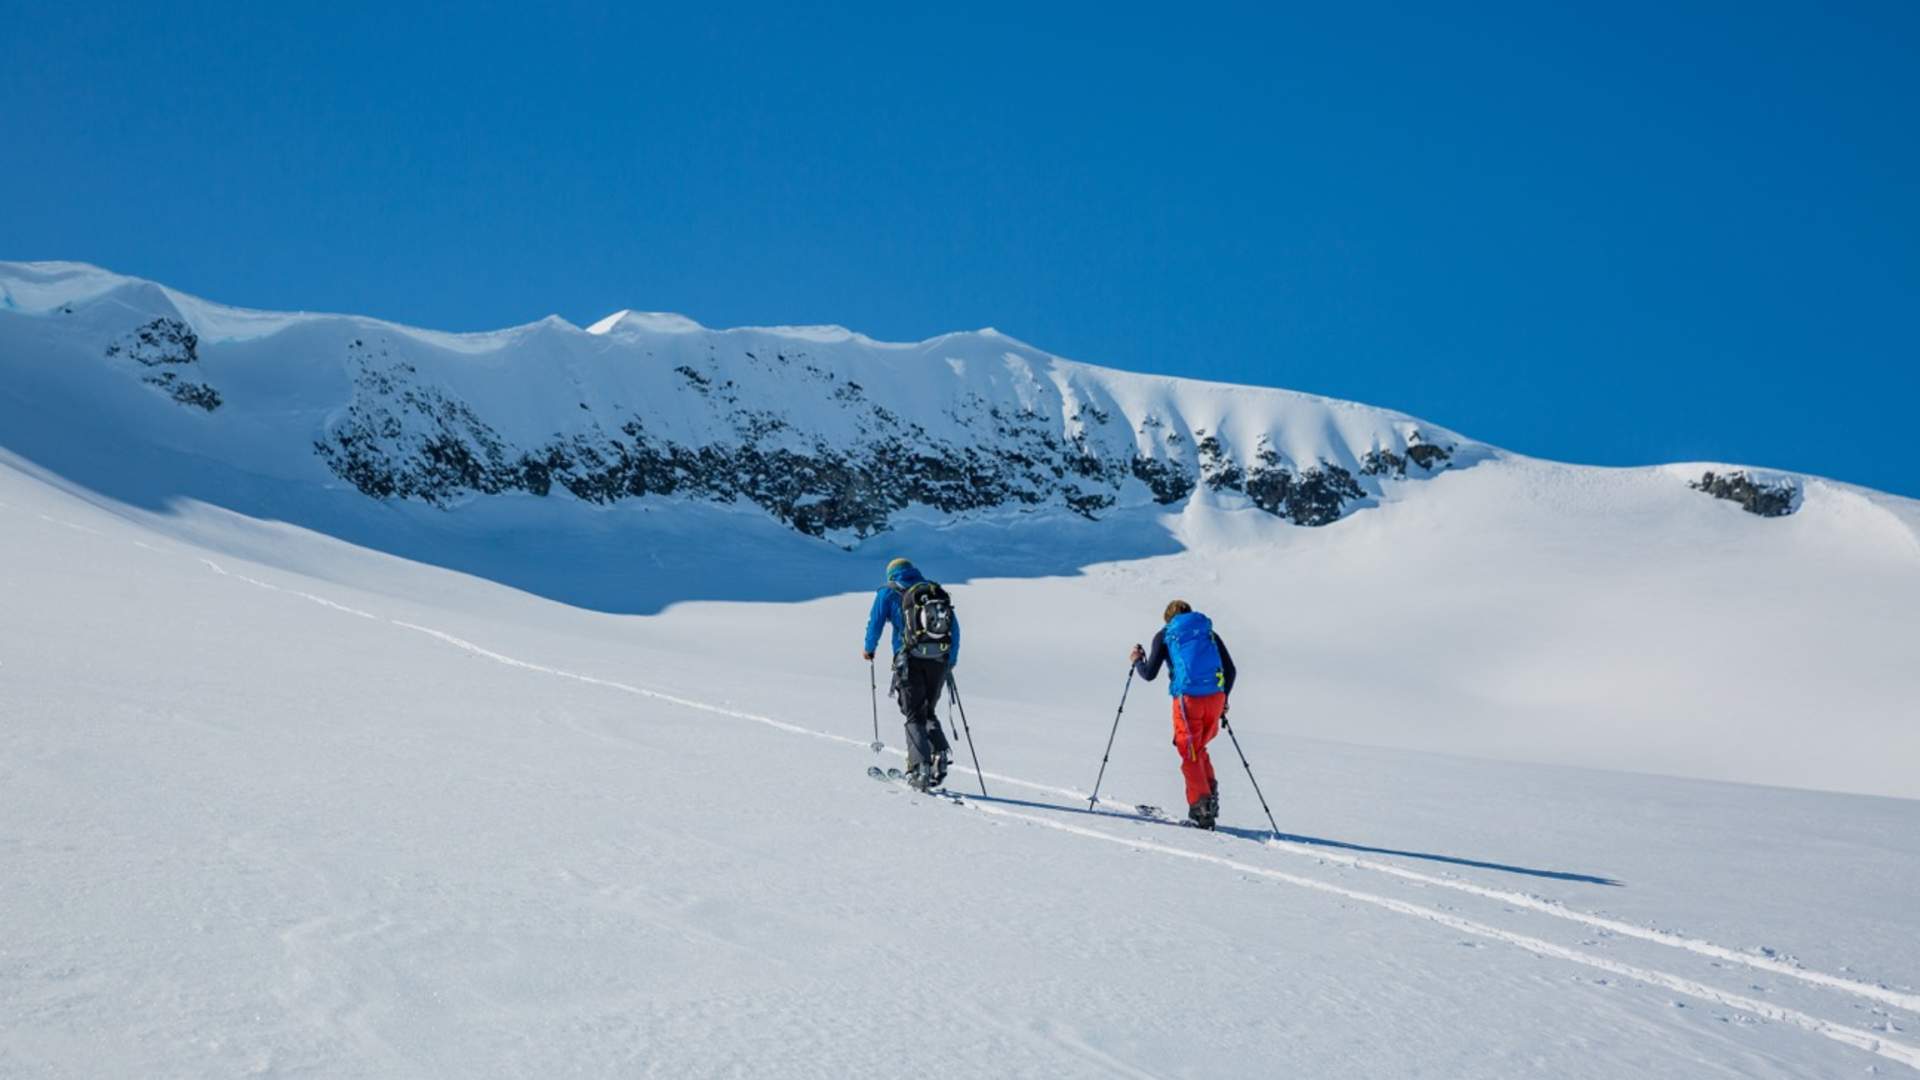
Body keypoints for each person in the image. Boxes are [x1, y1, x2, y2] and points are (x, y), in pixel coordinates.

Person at [1130, 600, 1237, 829]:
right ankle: (1209, 798)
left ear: (1168, 618)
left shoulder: (1166, 635)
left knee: (1189, 752)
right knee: (1199, 749)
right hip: (1215, 698)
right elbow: (1231, 670)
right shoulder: (1208, 633)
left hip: (1188, 701)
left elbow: (1149, 674)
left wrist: (1138, 661)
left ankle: (1202, 810)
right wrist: (1224, 699)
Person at [863, 557, 961, 790]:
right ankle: (939, 757)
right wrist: (950, 661)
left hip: (908, 660)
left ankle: (919, 769)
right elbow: (954, 629)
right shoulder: (933, 591)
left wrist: (869, 649)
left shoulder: (888, 592)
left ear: (891, 574)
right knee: (928, 711)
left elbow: (875, 623)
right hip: (938, 661)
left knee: (914, 714)